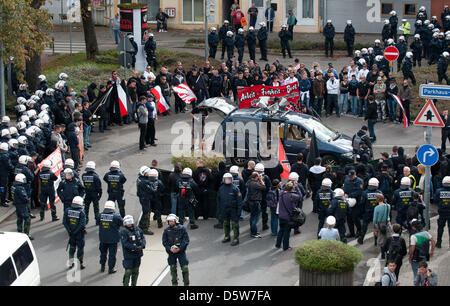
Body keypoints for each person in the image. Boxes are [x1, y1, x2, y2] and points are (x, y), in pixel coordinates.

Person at [162, 214, 190, 286]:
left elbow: (186, 240)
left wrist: (180, 248)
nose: (170, 222)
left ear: (175, 221)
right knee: (172, 268)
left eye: (172, 221)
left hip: (181, 252)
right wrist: (169, 249)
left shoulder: (182, 229)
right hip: (171, 253)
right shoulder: (166, 231)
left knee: (185, 268)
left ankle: (186, 284)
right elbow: (164, 242)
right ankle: (174, 284)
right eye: (169, 221)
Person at [97, 201, 122, 274]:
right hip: (113, 239)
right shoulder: (116, 216)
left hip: (103, 238)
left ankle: (102, 266)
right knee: (112, 255)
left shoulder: (100, 215)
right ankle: (111, 268)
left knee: (103, 253)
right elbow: (122, 223)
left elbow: (98, 222)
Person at [217, 173, 242, 246]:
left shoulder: (235, 188)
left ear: (231, 179)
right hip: (224, 209)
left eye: (229, 179)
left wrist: (239, 211)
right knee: (225, 223)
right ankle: (227, 236)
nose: (228, 180)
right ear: (223, 179)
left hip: (233, 210)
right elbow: (218, 200)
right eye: (226, 179)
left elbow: (239, 201)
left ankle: (236, 238)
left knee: (235, 224)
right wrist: (219, 211)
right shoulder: (221, 188)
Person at [121, 215, 146, 286]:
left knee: (136, 271)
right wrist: (135, 247)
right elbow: (125, 243)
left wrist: (143, 245)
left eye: (130, 222)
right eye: (127, 222)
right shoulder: (124, 232)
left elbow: (142, 237)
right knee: (128, 271)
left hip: (138, 254)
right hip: (128, 255)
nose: (129, 224)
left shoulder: (137, 229)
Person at [63, 196, 86, 270]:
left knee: (72, 248)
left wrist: (69, 231)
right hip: (79, 234)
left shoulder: (67, 210)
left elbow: (64, 222)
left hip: (71, 234)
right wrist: (76, 231)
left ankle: (71, 263)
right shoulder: (81, 212)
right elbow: (82, 224)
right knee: (80, 249)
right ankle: (80, 263)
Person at [276, 182, 299, 251]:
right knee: (287, 232)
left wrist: (287, 184)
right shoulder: (292, 196)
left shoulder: (281, 193)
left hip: (281, 216)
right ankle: (285, 246)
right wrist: (296, 187)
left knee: (281, 230)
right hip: (288, 217)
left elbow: (283, 188)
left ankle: (278, 244)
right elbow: (300, 196)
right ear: (291, 189)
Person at [81, 161, 102, 225]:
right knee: (96, 208)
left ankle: (85, 220)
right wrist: (99, 195)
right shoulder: (95, 177)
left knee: (86, 208)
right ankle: (97, 220)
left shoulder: (83, 175)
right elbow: (99, 188)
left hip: (87, 194)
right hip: (94, 194)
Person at [12, 173, 32, 240]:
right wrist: (27, 200)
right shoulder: (20, 188)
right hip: (22, 205)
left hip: (17, 205)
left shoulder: (13, 186)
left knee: (19, 218)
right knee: (27, 219)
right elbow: (24, 197)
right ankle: (26, 235)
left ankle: (19, 232)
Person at [246, 172, 266, 238]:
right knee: (255, 218)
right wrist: (260, 180)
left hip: (251, 201)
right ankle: (254, 233)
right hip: (256, 202)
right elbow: (264, 187)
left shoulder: (249, 182)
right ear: (256, 177)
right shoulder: (255, 184)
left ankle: (253, 231)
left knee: (252, 217)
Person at [373, 193, 391, 259]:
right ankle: (388, 253)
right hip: (387, 223)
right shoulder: (388, 206)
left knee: (381, 239)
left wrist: (375, 228)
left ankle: (383, 255)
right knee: (388, 238)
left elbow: (375, 219)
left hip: (380, 224)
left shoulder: (376, 208)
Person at [434, 176, 450, 248]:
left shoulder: (438, 191)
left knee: (440, 228)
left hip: (442, 212)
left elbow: (435, 200)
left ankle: (439, 243)